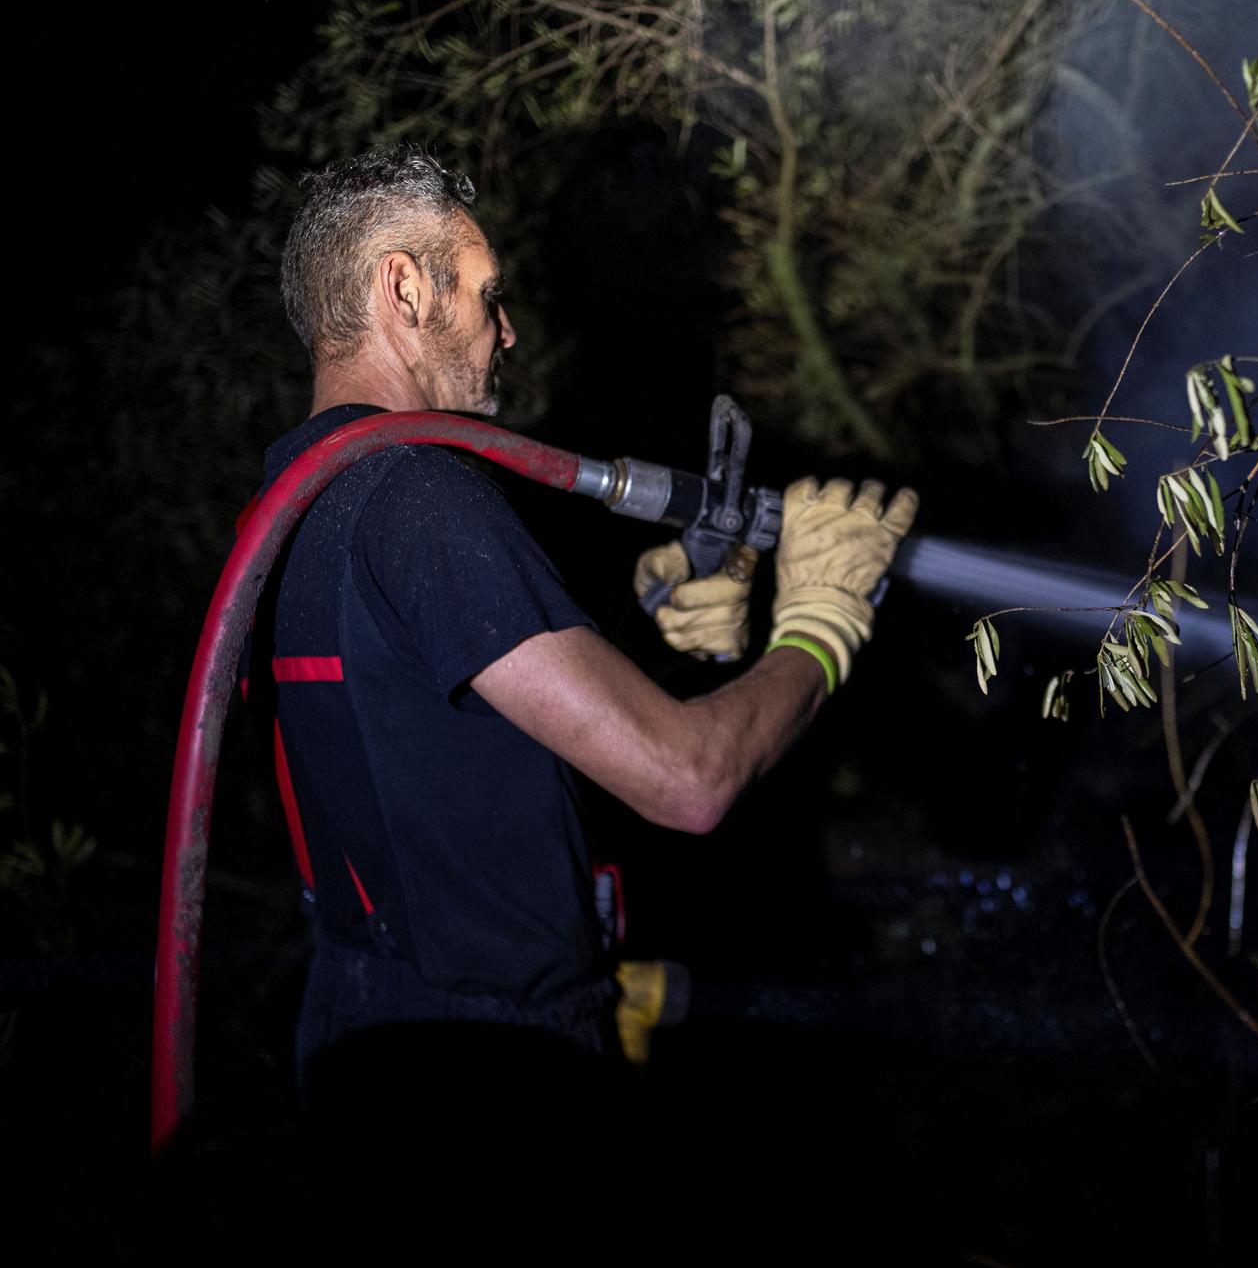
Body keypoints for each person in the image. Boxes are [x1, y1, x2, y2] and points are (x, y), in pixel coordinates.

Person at [255, 146, 915, 1233]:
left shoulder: (308, 493)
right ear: (402, 290)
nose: (505, 331)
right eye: (486, 294)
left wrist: (651, 624)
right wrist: (822, 624)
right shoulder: (422, 496)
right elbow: (686, 780)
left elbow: (441, 741)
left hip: (379, 1027)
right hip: (488, 1075)